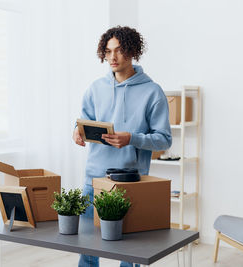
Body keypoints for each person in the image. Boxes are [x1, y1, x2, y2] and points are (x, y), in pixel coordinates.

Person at [73, 26, 172, 267]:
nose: (113, 57)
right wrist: (77, 132)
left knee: (131, 252)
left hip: (131, 182)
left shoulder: (152, 92)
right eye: (108, 52)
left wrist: (133, 138)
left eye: (119, 50)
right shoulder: (95, 88)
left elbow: (164, 139)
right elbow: (84, 121)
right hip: (94, 181)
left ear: (132, 51)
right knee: (87, 248)